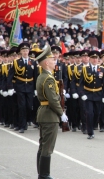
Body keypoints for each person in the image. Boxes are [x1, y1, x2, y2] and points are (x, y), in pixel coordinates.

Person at [35, 45, 68, 179]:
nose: (55, 62)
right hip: (49, 115)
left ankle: (41, 173)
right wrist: (62, 113)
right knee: (47, 147)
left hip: (44, 113)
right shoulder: (48, 78)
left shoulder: (42, 76)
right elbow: (53, 100)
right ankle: (44, 174)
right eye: (53, 60)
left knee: (43, 145)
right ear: (47, 62)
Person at [7, 42, 37, 133]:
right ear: (20, 52)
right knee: (21, 106)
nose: (25, 52)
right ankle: (22, 125)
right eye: (23, 51)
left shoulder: (33, 62)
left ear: (29, 51)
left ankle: (27, 120)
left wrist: (36, 88)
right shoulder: (16, 62)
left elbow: (36, 76)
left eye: (26, 50)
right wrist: (10, 87)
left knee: (29, 106)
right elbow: (10, 75)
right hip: (19, 87)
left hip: (30, 87)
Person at [78, 50, 104, 139]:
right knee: (89, 113)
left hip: (98, 94)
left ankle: (94, 125)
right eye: (93, 58)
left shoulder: (102, 69)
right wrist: (82, 93)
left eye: (96, 58)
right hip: (88, 94)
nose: (95, 60)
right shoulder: (85, 69)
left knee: (97, 113)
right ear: (90, 59)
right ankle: (90, 132)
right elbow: (81, 83)